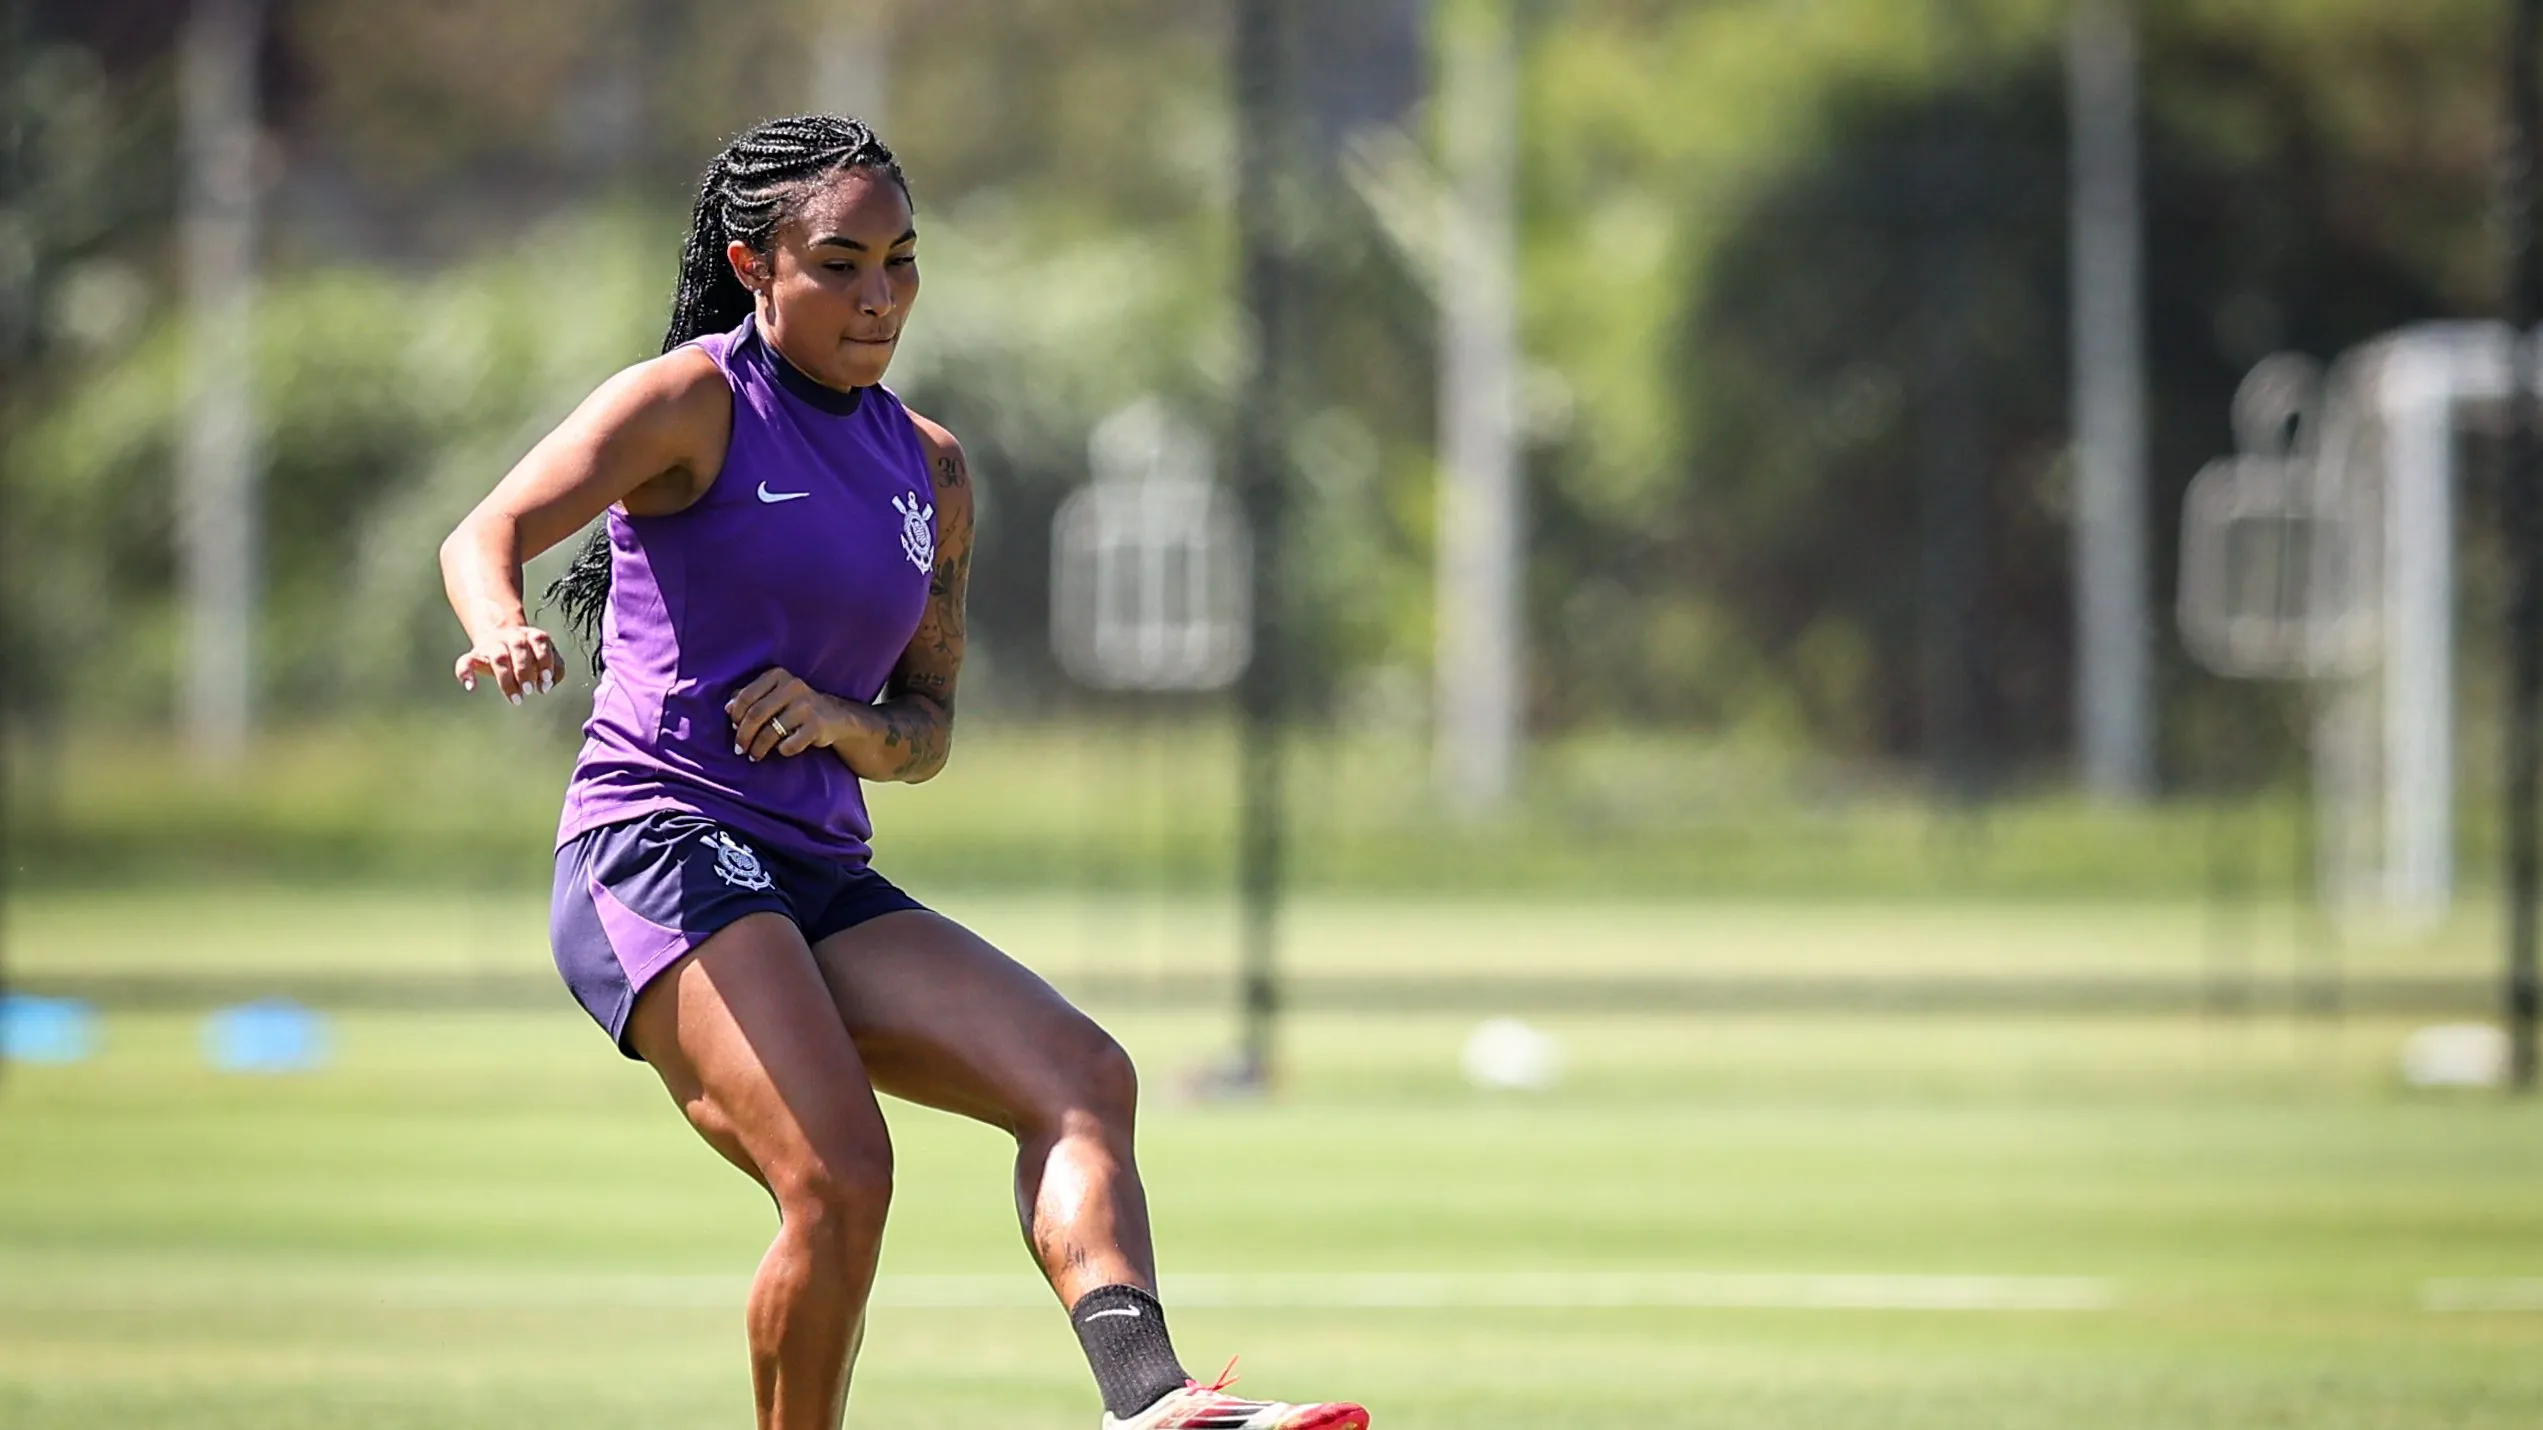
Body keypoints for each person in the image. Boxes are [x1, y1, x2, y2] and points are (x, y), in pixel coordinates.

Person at [437, 114, 1370, 1430]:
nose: (878, 295)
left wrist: (838, 718)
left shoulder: (930, 465)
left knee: (1082, 1074)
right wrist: (501, 620)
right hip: (656, 845)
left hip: (815, 868)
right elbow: (485, 532)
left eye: (900, 261)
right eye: (839, 262)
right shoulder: (694, 399)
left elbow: (924, 729)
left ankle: (1150, 1402)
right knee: (838, 1173)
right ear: (753, 262)